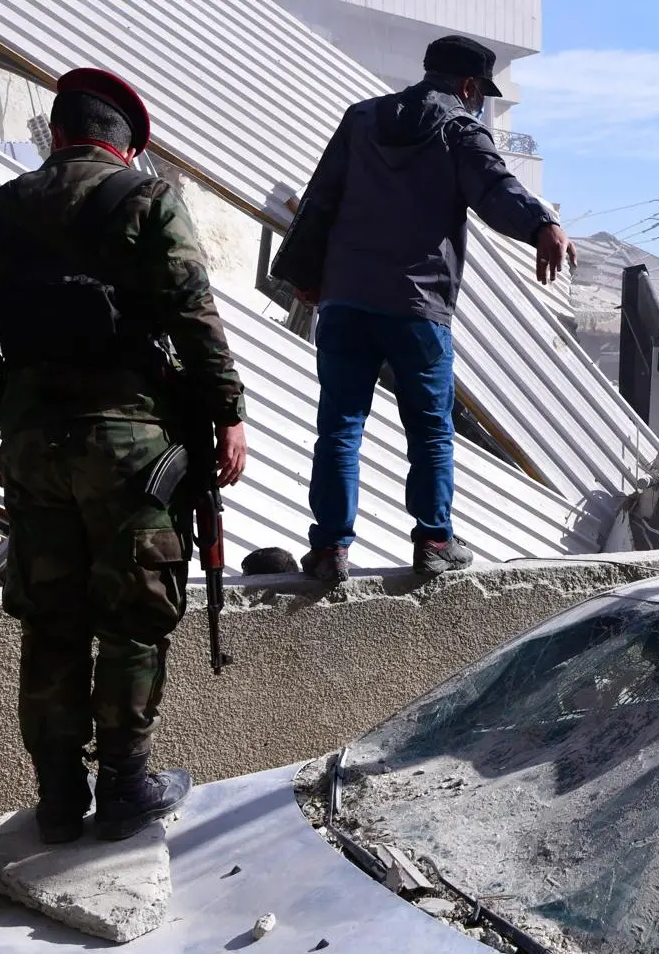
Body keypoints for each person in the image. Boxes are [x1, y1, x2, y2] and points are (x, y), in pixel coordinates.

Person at [0, 69, 249, 843]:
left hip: (33, 449)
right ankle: (125, 788)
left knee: (50, 620)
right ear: (127, 145)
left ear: (56, 132)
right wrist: (229, 414)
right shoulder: (145, 201)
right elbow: (194, 318)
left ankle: (56, 799)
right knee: (133, 617)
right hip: (132, 446)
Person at [272, 34, 576, 583]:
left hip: (345, 298)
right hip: (417, 304)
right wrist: (541, 224)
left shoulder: (361, 119)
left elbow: (320, 198)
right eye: (479, 92)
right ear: (467, 85)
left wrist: (305, 276)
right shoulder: (459, 127)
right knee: (431, 428)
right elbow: (495, 188)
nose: (478, 101)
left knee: (339, 425)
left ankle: (329, 551)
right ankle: (434, 541)